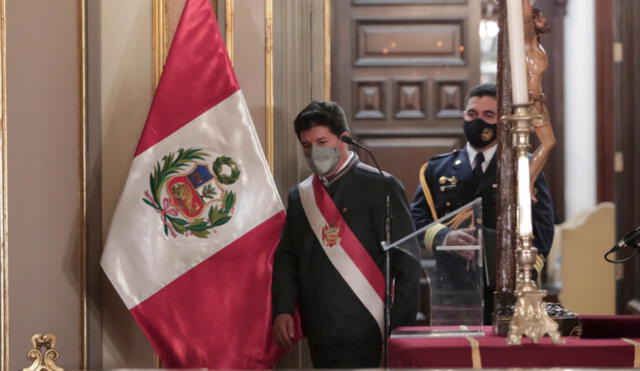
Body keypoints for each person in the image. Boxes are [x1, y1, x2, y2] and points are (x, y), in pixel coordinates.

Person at [272, 100, 421, 368]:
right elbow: (288, 256)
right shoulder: (300, 196)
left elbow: (407, 262)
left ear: (345, 139)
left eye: (322, 142)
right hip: (320, 329)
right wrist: (283, 308)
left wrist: (401, 330)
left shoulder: (381, 185)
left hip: (369, 329)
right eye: (307, 145)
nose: (314, 151)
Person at [409, 83, 554, 324]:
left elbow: (543, 229)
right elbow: (416, 220)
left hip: (508, 288)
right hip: (453, 290)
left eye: (489, 115)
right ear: (462, 116)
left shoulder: (524, 167)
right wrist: (444, 236)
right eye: (472, 114)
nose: (479, 122)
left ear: (503, 121)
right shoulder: (437, 169)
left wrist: (524, 273)